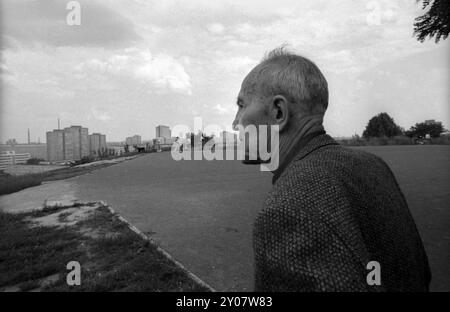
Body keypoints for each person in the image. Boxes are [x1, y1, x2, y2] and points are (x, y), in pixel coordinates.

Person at [232, 47, 431, 291]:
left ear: (278, 113)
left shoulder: (287, 209)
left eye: (241, 105)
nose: (234, 123)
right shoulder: (373, 165)